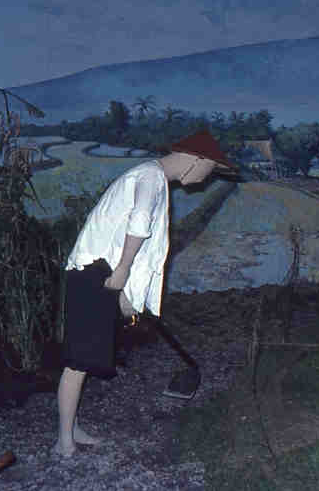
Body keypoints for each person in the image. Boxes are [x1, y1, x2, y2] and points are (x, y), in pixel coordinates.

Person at [52, 130, 238, 457]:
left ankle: (71, 428)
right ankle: (63, 442)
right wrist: (122, 271)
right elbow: (138, 224)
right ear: (197, 159)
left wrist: (127, 295)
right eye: (211, 169)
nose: (207, 178)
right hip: (95, 273)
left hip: (97, 273)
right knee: (77, 362)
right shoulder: (150, 178)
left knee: (82, 359)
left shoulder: (149, 175)